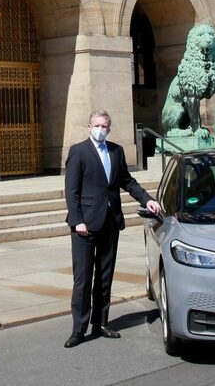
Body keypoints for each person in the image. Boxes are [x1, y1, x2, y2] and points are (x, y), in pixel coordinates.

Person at [64, 110, 161, 348]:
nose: (100, 129)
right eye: (96, 125)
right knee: (83, 279)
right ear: (89, 127)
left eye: (104, 126)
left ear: (109, 128)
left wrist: (146, 199)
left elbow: (127, 181)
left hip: (110, 222)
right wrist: (78, 220)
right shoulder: (78, 152)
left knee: (105, 277)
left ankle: (101, 323)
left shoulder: (116, 151)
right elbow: (72, 190)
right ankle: (79, 329)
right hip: (85, 225)